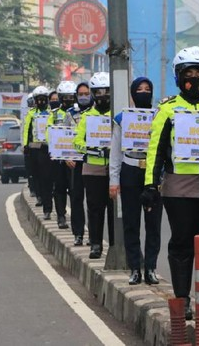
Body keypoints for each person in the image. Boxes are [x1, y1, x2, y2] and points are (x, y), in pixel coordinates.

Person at [142, 46, 199, 321]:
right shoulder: (168, 109)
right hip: (179, 186)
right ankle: (183, 301)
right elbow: (155, 149)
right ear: (179, 76)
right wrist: (149, 185)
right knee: (182, 242)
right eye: (188, 73)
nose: (195, 78)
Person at [109, 77, 162, 285]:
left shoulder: (160, 116)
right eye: (139, 89)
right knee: (131, 223)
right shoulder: (122, 119)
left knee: (153, 224)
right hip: (130, 171)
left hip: (152, 172)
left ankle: (150, 268)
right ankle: (135, 269)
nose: (143, 92)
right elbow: (115, 152)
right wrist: (114, 180)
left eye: (147, 89)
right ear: (132, 93)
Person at [73, 72, 114, 259]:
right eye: (99, 92)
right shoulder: (87, 117)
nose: (102, 96)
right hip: (92, 169)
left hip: (114, 170)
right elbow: (77, 142)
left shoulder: (117, 116)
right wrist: (91, 148)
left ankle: (115, 244)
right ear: (93, 94)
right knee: (95, 209)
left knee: (115, 210)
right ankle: (95, 244)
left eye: (107, 92)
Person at [64, 82, 92, 246]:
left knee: (92, 200)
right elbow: (63, 136)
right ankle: (78, 234)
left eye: (86, 93)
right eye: (80, 94)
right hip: (75, 162)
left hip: (92, 161)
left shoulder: (96, 113)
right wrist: (67, 157)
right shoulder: (70, 114)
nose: (83, 97)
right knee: (76, 198)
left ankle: (92, 235)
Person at [47, 80, 77, 229]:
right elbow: (49, 134)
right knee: (59, 188)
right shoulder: (54, 114)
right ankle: (61, 216)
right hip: (58, 159)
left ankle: (77, 219)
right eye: (64, 97)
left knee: (75, 190)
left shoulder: (79, 114)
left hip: (76, 158)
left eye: (71, 97)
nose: (68, 100)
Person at [23, 86, 53, 219]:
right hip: (35, 148)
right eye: (38, 99)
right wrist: (25, 145)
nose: (41, 102)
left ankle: (49, 207)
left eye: (43, 99)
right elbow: (26, 130)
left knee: (48, 179)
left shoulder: (52, 112)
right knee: (37, 176)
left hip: (48, 149)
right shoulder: (31, 113)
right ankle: (41, 198)